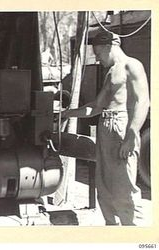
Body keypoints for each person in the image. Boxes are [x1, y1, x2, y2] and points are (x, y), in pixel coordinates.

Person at [61, 31, 150, 225]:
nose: (98, 58)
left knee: (123, 187)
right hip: (106, 127)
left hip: (121, 127)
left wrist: (131, 134)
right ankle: (112, 227)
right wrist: (67, 114)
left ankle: (135, 232)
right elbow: (96, 106)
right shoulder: (111, 71)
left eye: (99, 53)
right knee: (104, 186)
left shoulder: (132, 66)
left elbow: (143, 102)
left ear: (109, 46)